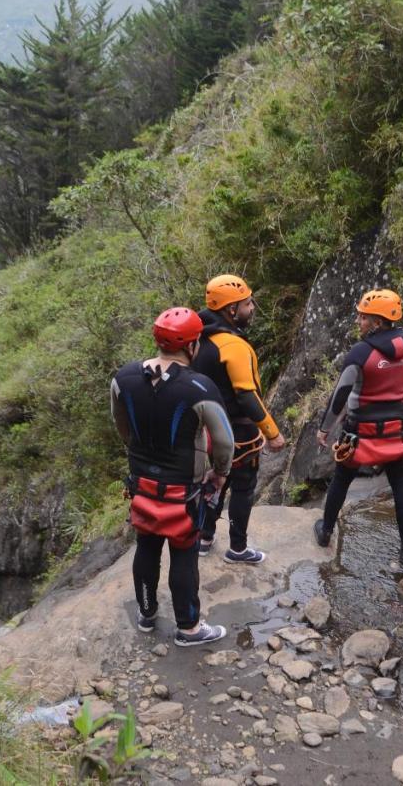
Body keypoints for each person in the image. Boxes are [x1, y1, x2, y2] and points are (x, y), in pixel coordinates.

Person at [111, 307, 235, 646]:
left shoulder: (123, 378)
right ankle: (189, 628)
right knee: (184, 552)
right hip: (184, 488)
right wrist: (220, 474)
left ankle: (147, 615)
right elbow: (224, 442)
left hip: (141, 482)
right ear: (192, 345)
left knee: (147, 546)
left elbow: (123, 427)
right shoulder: (200, 387)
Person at [313, 289, 403, 564]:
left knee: (342, 479)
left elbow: (340, 394)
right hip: (394, 431)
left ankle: (325, 531)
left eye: (363, 317)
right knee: (400, 484)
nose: (358, 321)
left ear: (377, 322)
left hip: (359, 433)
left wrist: (324, 428)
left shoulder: (361, 352)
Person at [191, 274, 286, 564]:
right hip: (240, 434)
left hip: (211, 430)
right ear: (231, 310)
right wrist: (271, 432)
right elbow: (246, 395)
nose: (253, 307)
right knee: (243, 488)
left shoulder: (199, 339)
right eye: (247, 304)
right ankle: (238, 548)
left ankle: (204, 538)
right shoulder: (233, 346)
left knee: (217, 481)